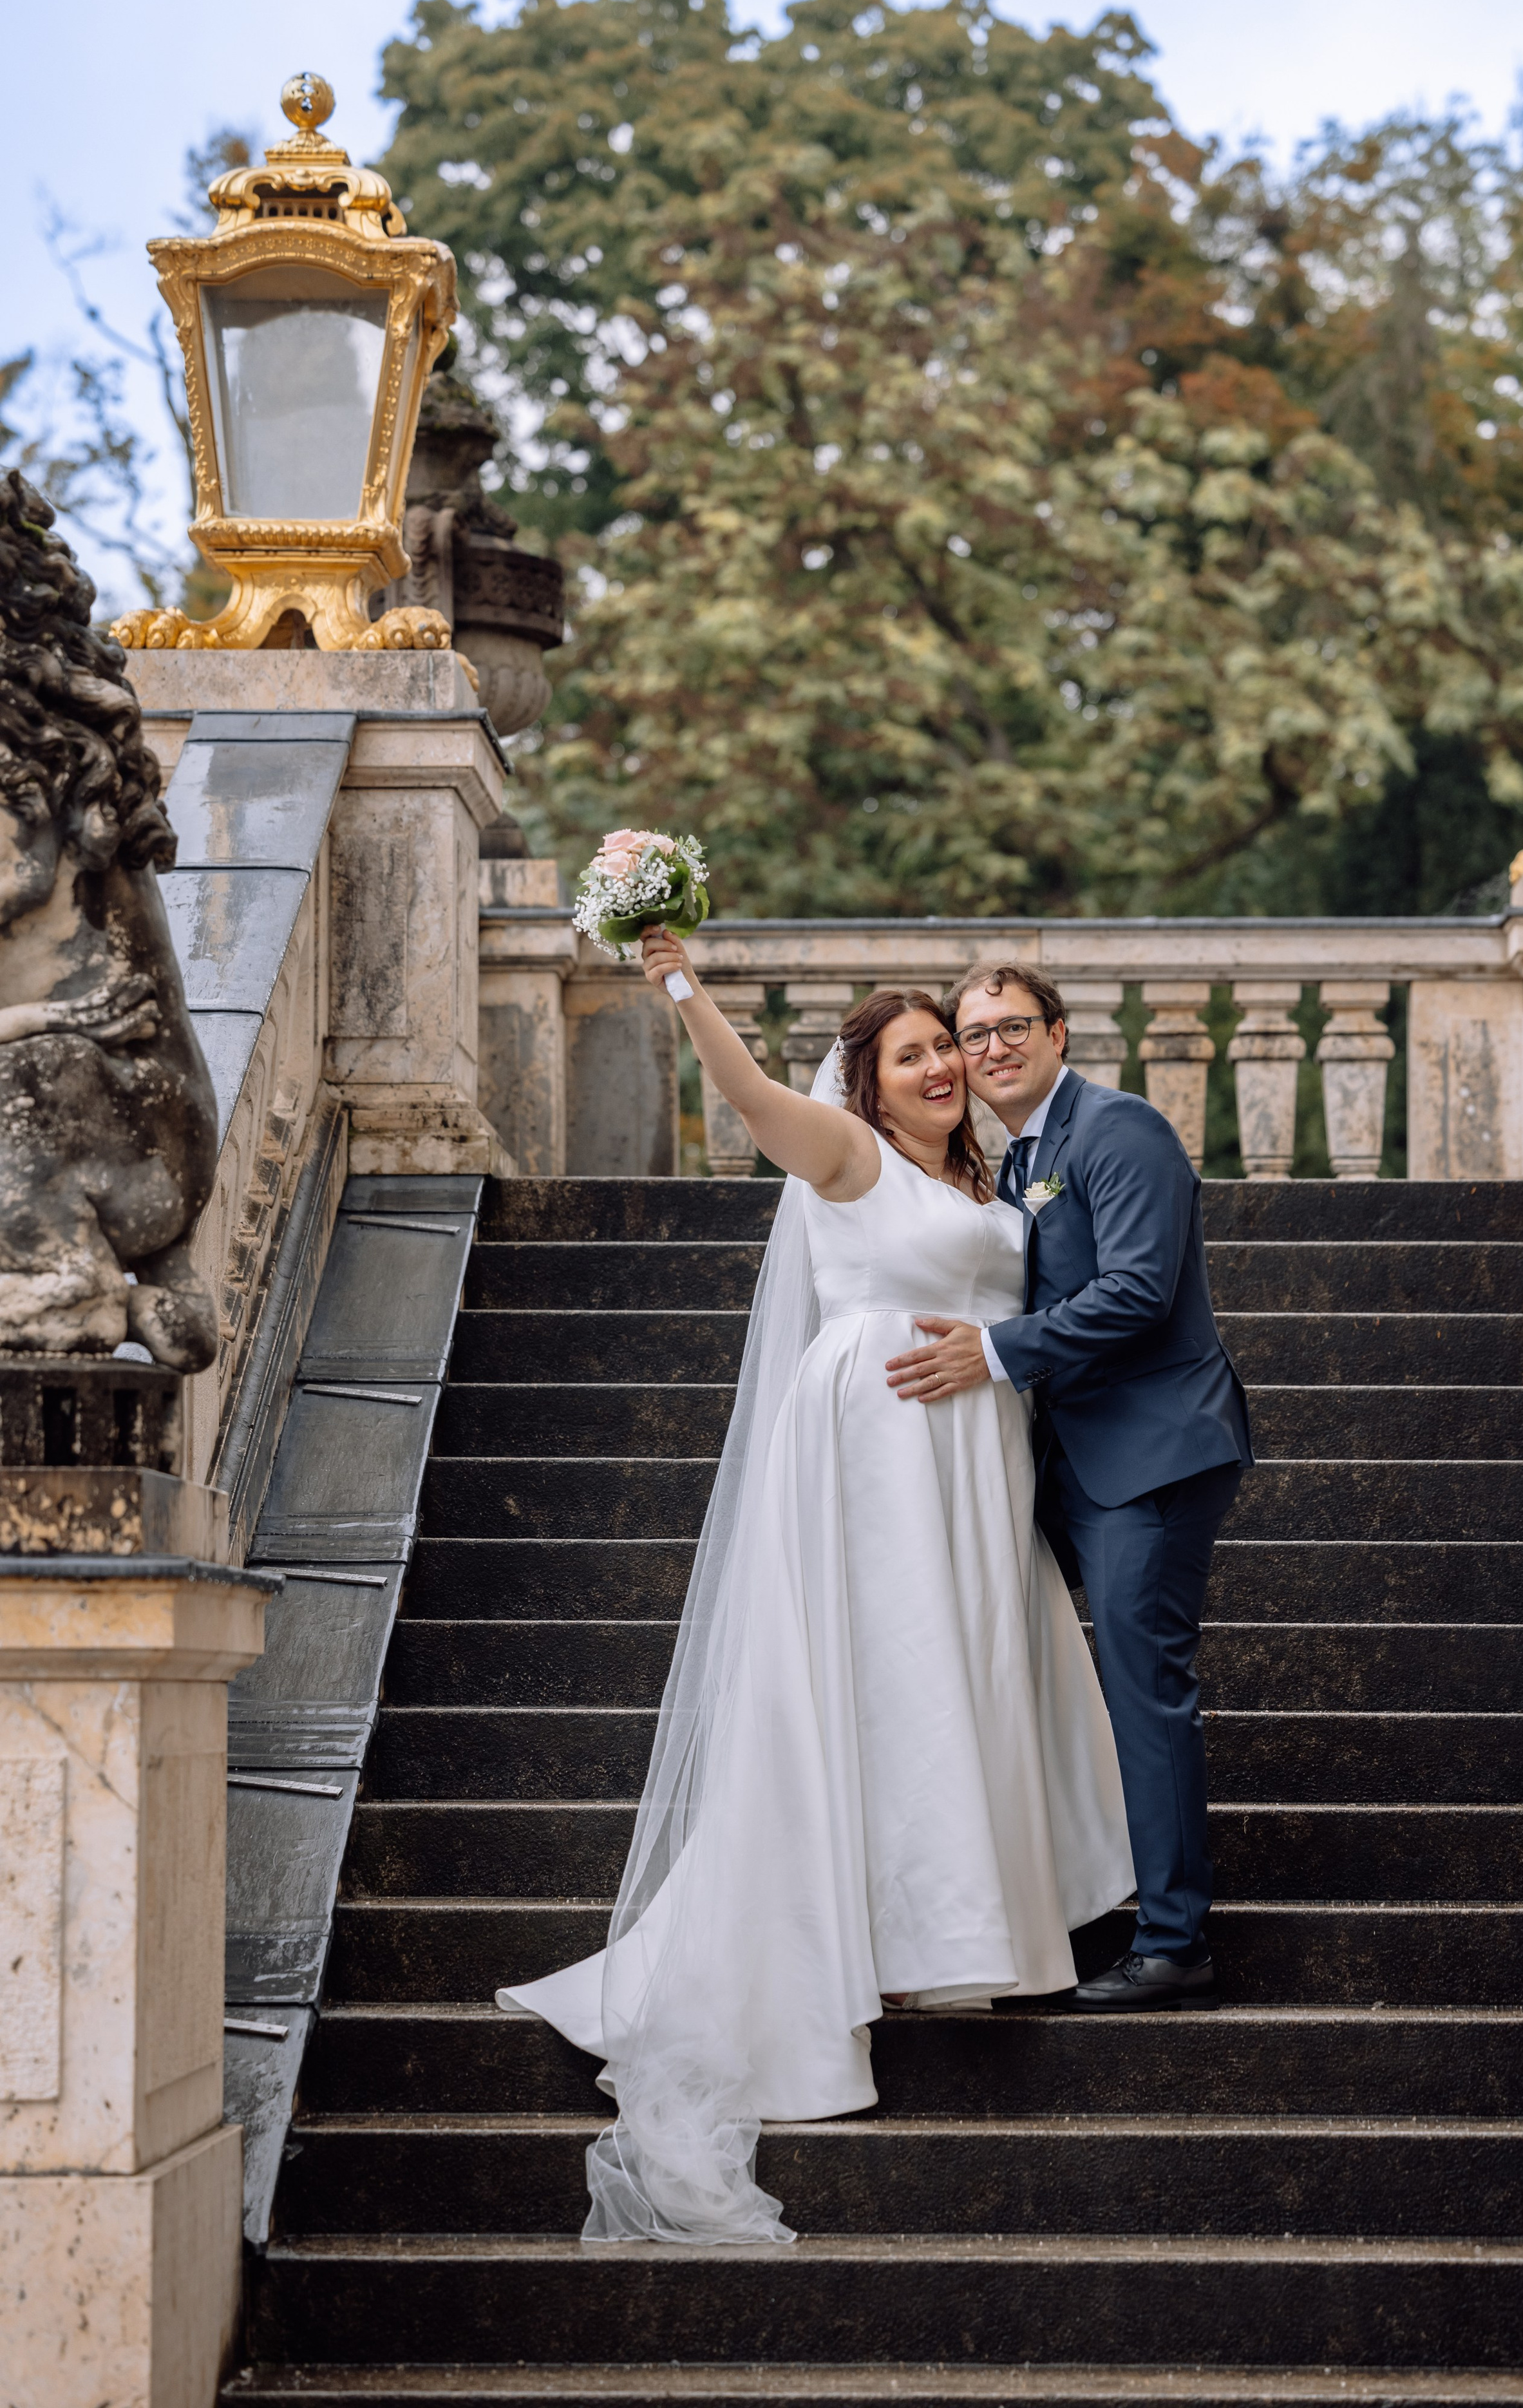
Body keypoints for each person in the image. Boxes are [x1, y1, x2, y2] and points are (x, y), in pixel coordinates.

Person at [495, 931, 1133, 2244]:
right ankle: (853, 1953)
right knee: (879, 1680)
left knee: (963, 1677)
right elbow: (743, 1096)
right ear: (870, 1082)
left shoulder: (998, 1177)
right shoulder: (845, 1158)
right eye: (912, 1053)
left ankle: (954, 1937)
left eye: (947, 1044)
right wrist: (679, 979)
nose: (943, 1064)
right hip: (873, 1446)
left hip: (973, 1457)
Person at [884, 962, 1253, 2013]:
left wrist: (995, 1352)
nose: (988, 1048)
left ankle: (1176, 1940)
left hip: (1155, 1451)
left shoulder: (1119, 1128)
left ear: (1058, 1033)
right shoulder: (1019, 1157)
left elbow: (1138, 1289)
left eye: (1010, 1027)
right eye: (971, 1033)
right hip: (1075, 1462)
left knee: (1145, 1688)